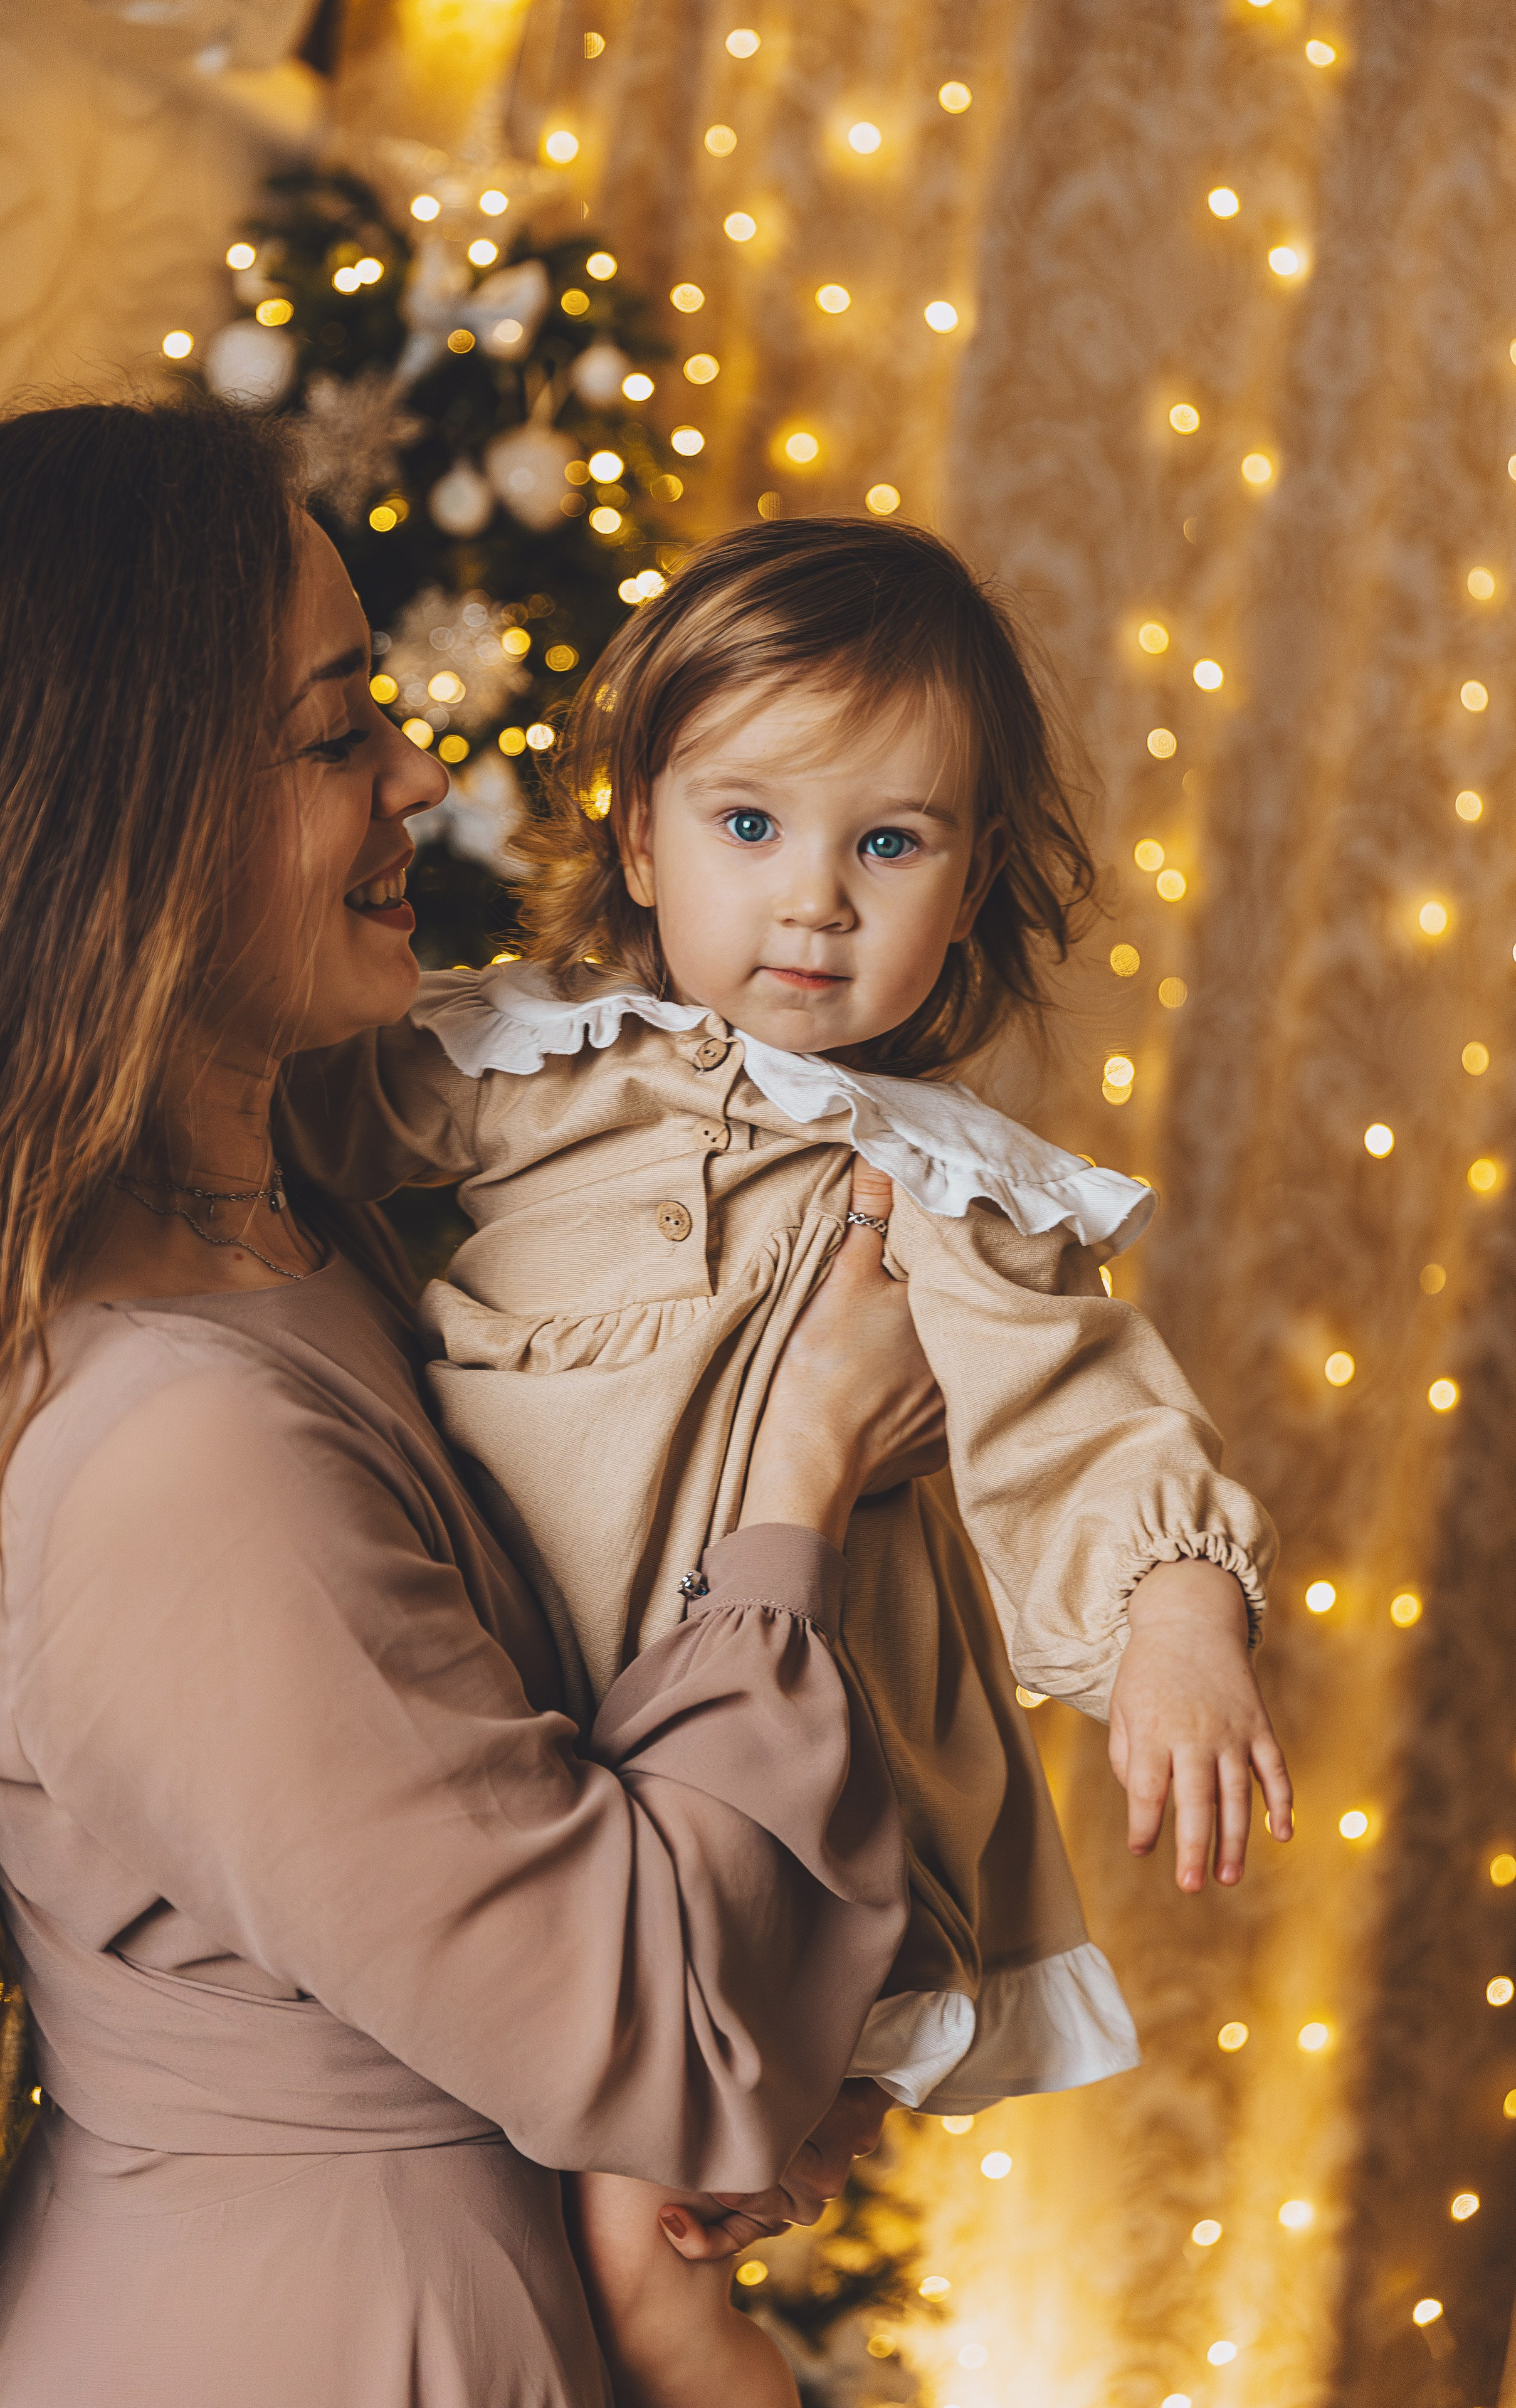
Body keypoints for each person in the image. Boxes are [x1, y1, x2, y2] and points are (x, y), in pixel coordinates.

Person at [0, 401, 954, 2408]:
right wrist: (804, 1470)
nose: (422, 771)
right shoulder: (168, 1450)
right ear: (114, 825)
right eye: (332, 737)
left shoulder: (303, 1228)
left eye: (386, 702)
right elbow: (660, 2030)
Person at [283, 517, 1295, 2408]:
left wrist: (1176, 1620)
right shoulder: (522, 1062)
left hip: (763, 1803)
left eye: (887, 846)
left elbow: (1090, 1420)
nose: (815, 901)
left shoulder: (942, 1189)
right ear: (643, 828)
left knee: (637, 2258)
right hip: (508, 1731)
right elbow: (252, 1093)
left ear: (971, 877)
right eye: (752, 827)